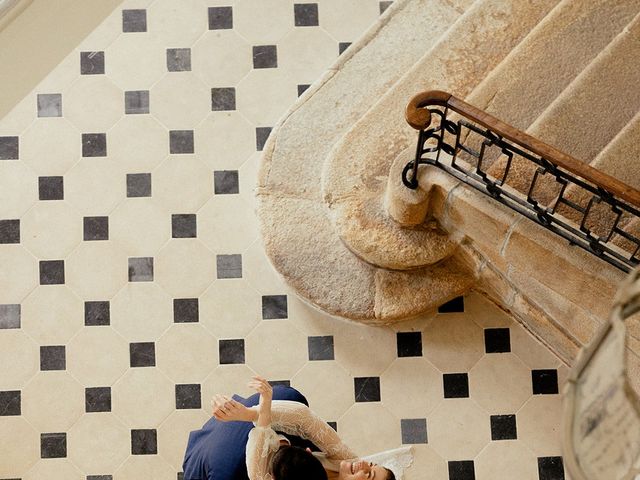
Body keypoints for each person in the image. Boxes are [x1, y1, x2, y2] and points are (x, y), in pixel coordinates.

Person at [215, 376, 400, 480]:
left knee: (227, 463)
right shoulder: (350, 463)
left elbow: (258, 476)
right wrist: (250, 413)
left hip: (254, 472)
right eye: (372, 465)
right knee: (290, 396)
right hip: (277, 452)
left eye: (368, 476)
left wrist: (263, 417)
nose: (365, 464)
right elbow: (304, 419)